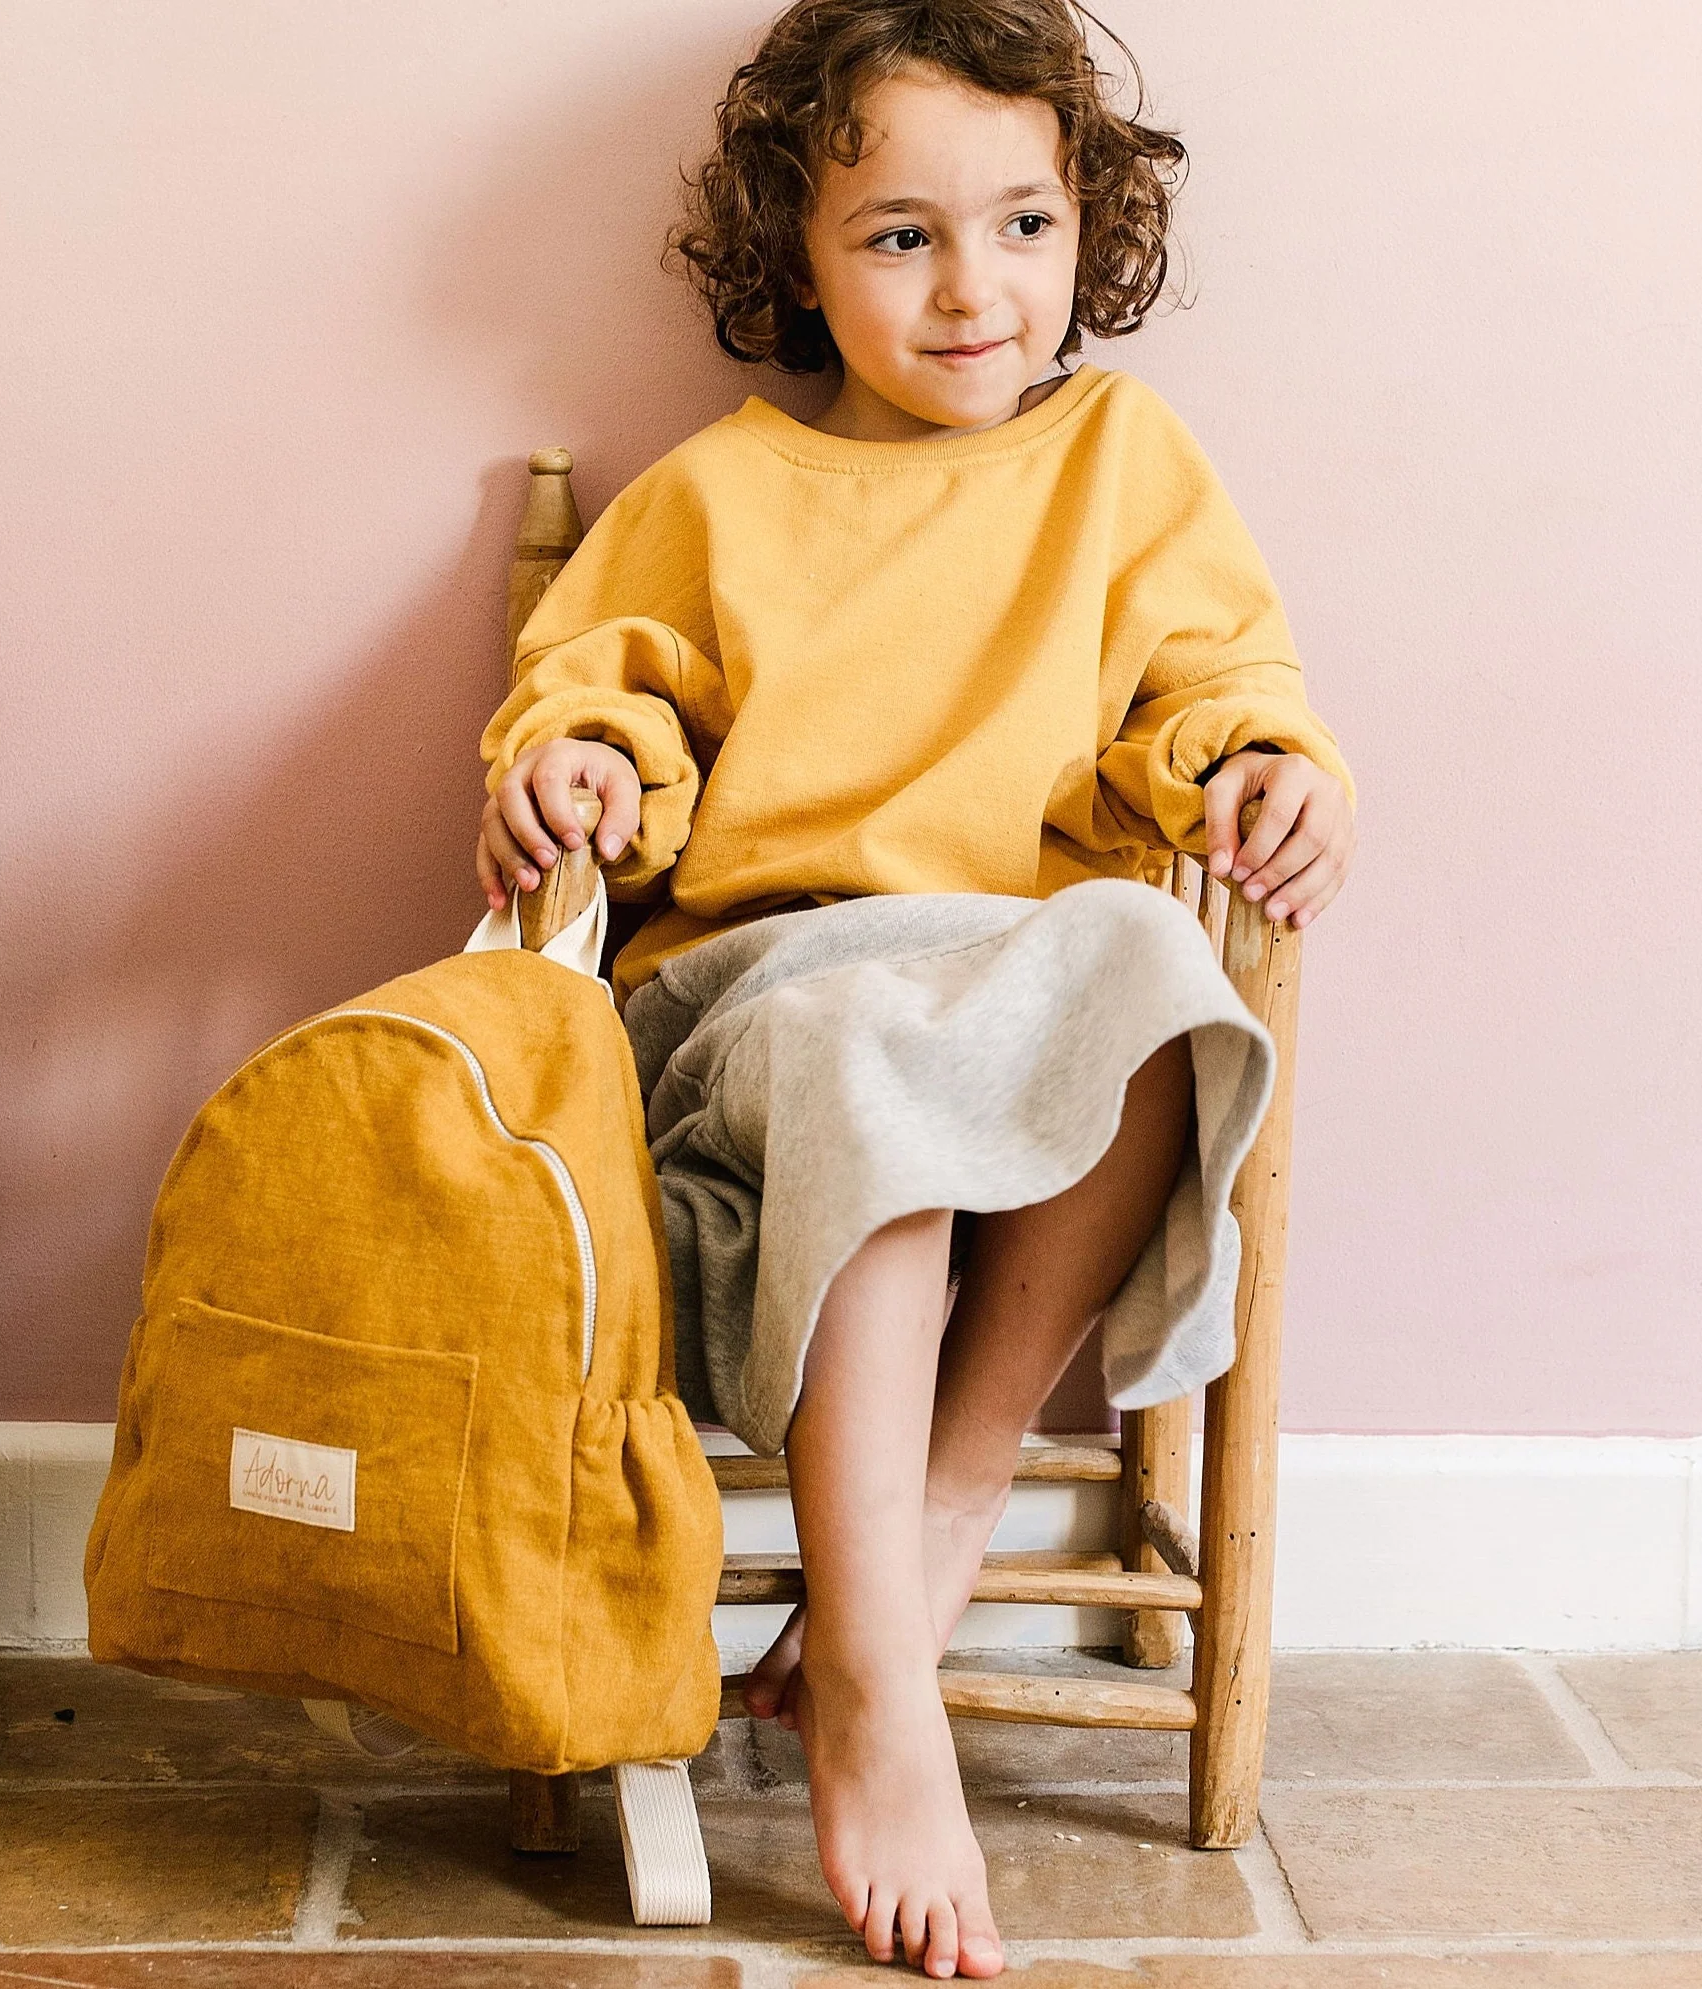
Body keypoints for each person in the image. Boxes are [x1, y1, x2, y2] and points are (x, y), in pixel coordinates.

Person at [476, 2, 1355, 1975]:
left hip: (1017, 985)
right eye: (901, 236)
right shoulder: (721, 493)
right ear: (797, 245)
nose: (976, 289)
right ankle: (880, 1685)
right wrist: (581, 766)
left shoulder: (1122, 461)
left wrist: (1263, 771)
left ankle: (942, 1509)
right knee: (865, 1058)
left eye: (1023, 225)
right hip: (767, 1004)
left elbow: (1214, 691)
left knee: (1147, 956)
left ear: (1084, 231)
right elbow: (601, 691)